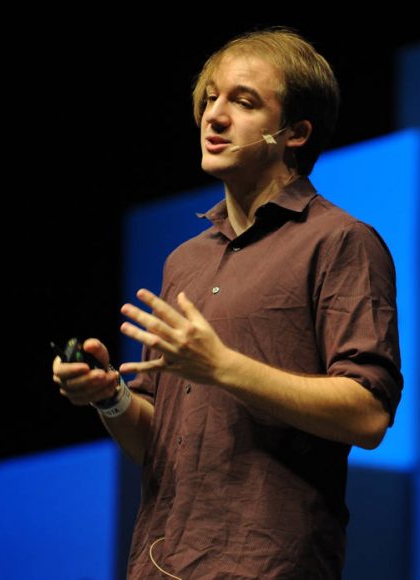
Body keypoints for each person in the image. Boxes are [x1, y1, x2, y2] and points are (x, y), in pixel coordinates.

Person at [52, 27, 402, 578]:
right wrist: (110, 396)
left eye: (243, 102)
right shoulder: (184, 262)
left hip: (266, 564)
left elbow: (368, 414)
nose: (214, 117)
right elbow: (155, 444)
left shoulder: (340, 241)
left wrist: (223, 367)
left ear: (295, 133)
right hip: (161, 561)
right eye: (210, 98)